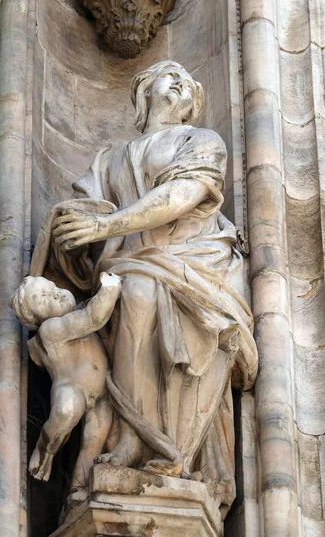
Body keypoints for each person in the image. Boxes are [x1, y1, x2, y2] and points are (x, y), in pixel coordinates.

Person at [31, 60, 258, 509]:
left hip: (193, 265)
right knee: (130, 287)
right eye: (167, 73)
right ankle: (134, 438)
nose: (178, 83)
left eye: (187, 84)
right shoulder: (108, 160)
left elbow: (184, 195)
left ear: (193, 105)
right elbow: (85, 218)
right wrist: (70, 234)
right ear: (143, 89)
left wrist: (105, 226)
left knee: (136, 286)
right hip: (128, 265)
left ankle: (157, 445)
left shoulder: (200, 140)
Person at [9, 272, 122, 486]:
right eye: (44, 298)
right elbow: (93, 318)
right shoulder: (51, 329)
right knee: (65, 411)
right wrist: (111, 287)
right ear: (36, 318)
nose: (56, 294)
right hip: (72, 388)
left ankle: (77, 491)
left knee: (92, 447)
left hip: (103, 394)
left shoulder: (73, 313)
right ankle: (45, 448)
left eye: (53, 287)